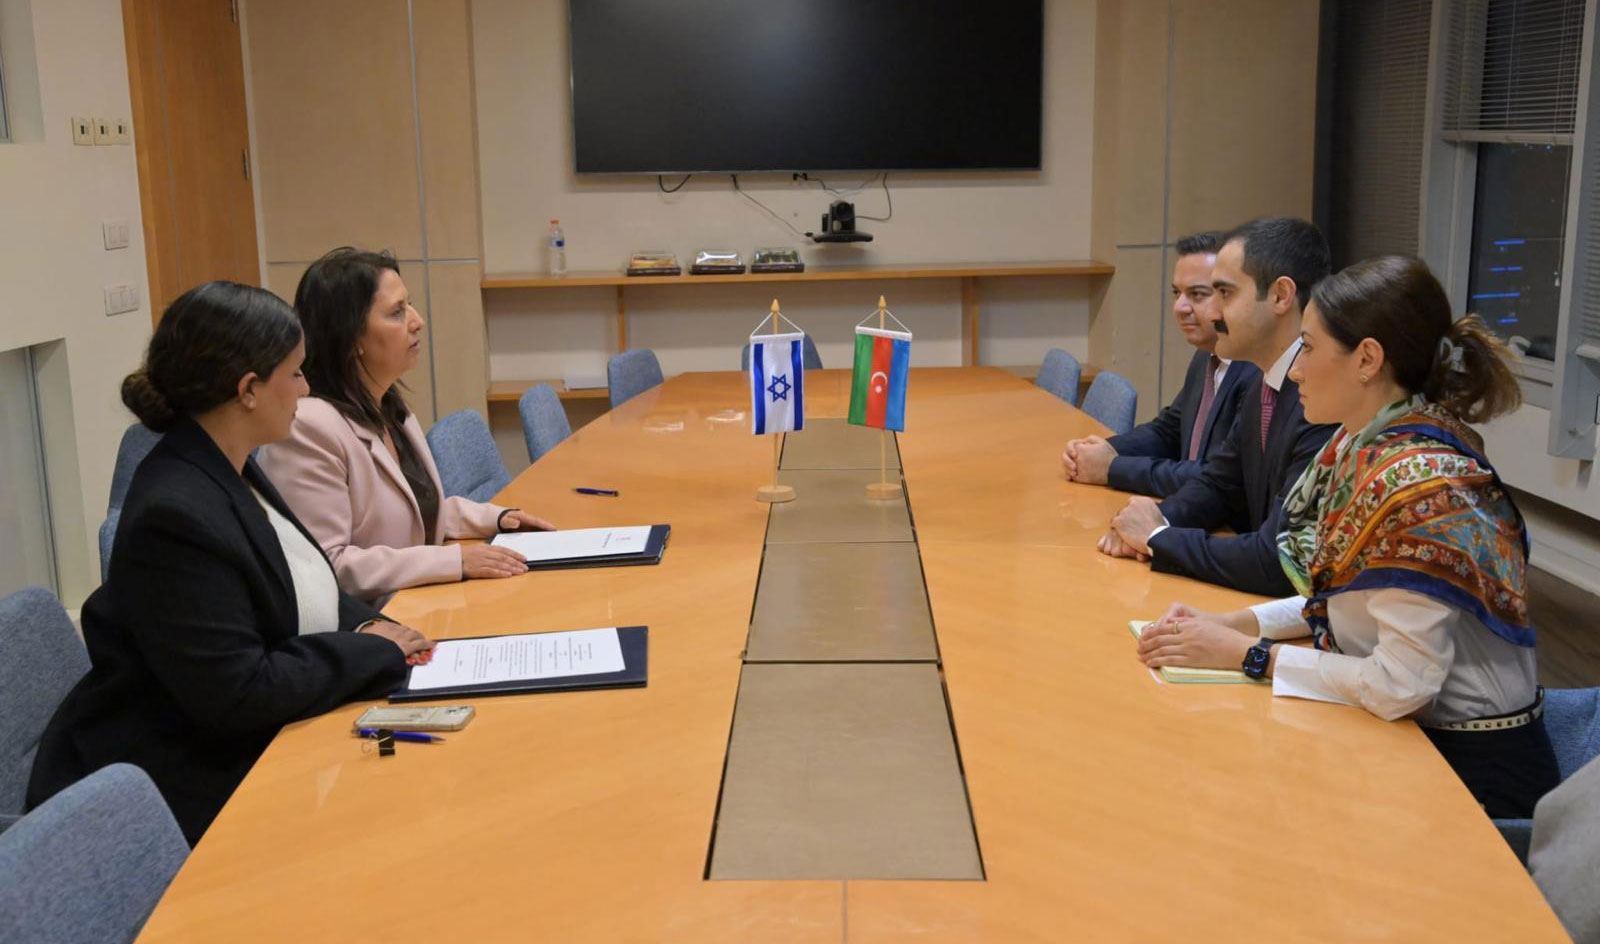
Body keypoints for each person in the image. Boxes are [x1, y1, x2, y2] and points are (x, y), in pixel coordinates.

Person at [1136, 255, 1557, 818]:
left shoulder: (1422, 485)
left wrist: (1247, 655)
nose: (1296, 371)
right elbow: (1349, 597)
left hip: (1468, 776)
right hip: (1406, 742)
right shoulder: (1362, 444)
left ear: (1367, 359)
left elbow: (1401, 686)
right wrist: (1236, 623)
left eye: (1308, 349)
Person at [26, 282, 432, 845]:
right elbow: (240, 693)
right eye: (295, 373)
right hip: (182, 785)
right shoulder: (174, 514)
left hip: (247, 738)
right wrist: (371, 651)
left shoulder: (228, 462)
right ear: (248, 390)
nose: (306, 388)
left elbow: (298, 575)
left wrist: (366, 625)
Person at [258, 248, 553, 604]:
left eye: (409, 305)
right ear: (351, 337)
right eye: (397, 312)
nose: (417, 321)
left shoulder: (389, 407)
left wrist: (500, 518)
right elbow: (328, 564)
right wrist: (454, 561)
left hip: (418, 601)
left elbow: (415, 512)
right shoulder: (307, 428)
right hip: (371, 622)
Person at [1100, 217, 1338, 596]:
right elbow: (1221, 484)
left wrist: (1158, 538)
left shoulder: (1323, 400)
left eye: (1225, 294)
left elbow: (1278, 560)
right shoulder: (1265, 381)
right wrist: (1154, 520)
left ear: (1280, 296)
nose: (1213, 314)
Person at [1062, 231, 1258, 496]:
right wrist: (1104, 450)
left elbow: (1218, 477)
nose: (1180, 307)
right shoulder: (1206, 355)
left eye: (1197, 294)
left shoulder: (1256, 372)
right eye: (1177, 293)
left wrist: (1112, 467)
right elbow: (1170, 430)